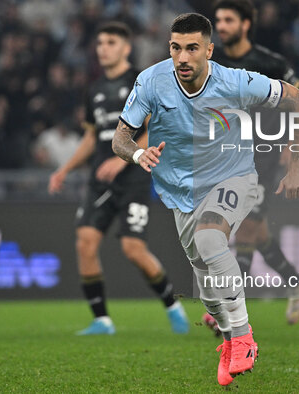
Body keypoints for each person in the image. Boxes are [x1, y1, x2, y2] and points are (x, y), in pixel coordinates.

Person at [112, 13, 299, 386]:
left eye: (191, 48)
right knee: (204, 281)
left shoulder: (237, 81)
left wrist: (296, 165)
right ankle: (227, 337)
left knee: (209, 237)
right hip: (179, 191)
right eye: (175, 48)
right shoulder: (151, 81)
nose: (182, 57)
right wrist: (138, 155)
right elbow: (121, 137)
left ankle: (243, 337)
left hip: (235, 176)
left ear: (209, 50)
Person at [48, 22, 189, 336]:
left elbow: (157, 126)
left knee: (133, 250)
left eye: (111, 42)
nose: (103, 48)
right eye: (99, 43)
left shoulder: (142, 81)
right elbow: (90, 137)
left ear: (126, 48)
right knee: (85, 243)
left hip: (133, 177)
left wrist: (121, 157)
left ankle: (172, 306)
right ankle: (102, 321)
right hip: (101, 178)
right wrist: (65, 169)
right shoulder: (95, 89)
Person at [211, 0, 299, 326]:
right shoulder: (211, 61)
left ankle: (228, 307)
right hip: (222, 156)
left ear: (246, 24)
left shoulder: (271, 64)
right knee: (258, 234)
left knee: (246, 229)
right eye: (218, 20)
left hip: (262, 158)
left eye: (228, 19)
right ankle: (295, 281)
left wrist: (294, 153)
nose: (221, 25)